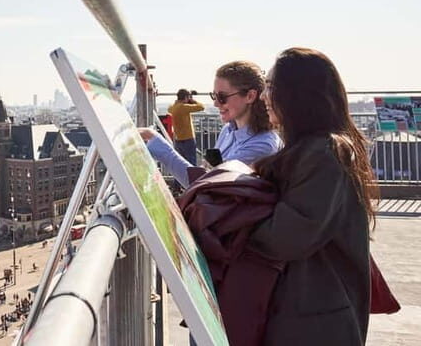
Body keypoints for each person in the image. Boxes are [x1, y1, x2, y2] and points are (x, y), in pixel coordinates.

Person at [245, 47, 375, 344]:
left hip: (316, 324)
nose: (264, 96)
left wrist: (229, 223)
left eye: (271, 86)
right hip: (310, 317)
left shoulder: (324, 154)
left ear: (298, 94)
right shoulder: (314, 150)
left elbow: (286, 237)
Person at [141, 60, 281, 187]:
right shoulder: (228, 130)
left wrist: (155, 140)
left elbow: (205, 184)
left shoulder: (262, 145)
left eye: (222, 97)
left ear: (250, 96)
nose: (215, 103)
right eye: (214, 96)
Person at [168, 88, 205, 165]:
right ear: (185, 97)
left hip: (178, 139)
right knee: (191, 163)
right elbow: (201, 107)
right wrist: (192, 101)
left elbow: (169, 108)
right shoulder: (183, 107)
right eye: (188, 97)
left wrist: (186, 99)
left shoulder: (173, 107)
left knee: (181, 163)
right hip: (188, 139)